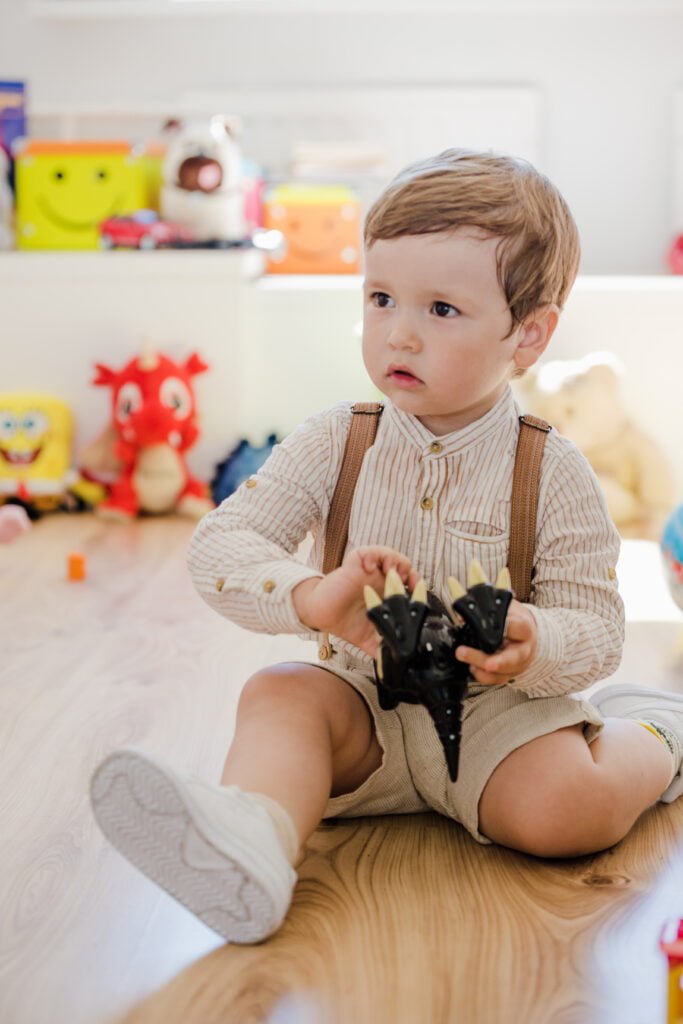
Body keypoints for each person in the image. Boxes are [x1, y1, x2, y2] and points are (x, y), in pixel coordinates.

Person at [90, 149, 683, 946]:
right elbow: (219, 547)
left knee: (565, 813)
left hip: (494, 719)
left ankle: (656, 736)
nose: (398, 332)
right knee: (278, 693)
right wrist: (308, 596)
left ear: (528, 334)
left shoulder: (553, 469)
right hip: (359, 710)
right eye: (380, 297)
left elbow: (599, 629)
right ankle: (253, 842)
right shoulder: (337, 438)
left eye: (441, 309)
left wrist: (535, 638)